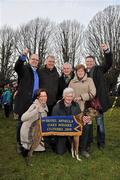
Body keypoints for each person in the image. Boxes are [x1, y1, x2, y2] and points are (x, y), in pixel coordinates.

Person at [85, 43, 113, 149]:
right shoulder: (83, 73)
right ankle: (88, 142)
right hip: (88, 102)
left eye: (91, 61)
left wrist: (107, 51)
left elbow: (109, 63)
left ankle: (101, 143)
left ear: (94, 62)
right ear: (85, 62)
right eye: (87, 61)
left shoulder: (99, 69)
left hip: (98, 103)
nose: (89, 63)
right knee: (88, 124)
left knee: (100, 123)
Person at [14, 48, 40, 153]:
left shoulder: (37, 72)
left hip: (33, 102)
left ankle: (28, 142)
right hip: (24, 101)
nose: (34, 61)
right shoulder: (24, 68)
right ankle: (19, 144)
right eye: (33, 59)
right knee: (21, 122)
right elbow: (17, 67)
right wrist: (23, 55)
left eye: (37, 60)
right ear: (29, 60)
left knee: (30, 123)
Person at [69, 64, 96, 158]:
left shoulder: (89, 80)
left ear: (84, 72)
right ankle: (73, 147)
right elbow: (68, 92)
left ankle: (83, 149)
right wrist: (71, 98)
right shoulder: (72, 82)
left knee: (86, 128)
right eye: (78, 71)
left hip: (85, 109)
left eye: (81, 71)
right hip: (74, 109)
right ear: (76, 72)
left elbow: (93, 93)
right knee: (75, 128)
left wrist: (81, 97)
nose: (80, 73)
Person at [52, 87, 81, 155]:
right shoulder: (57, 107)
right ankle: (61, 143)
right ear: (64, 96)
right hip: (61, 131)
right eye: (67, 96)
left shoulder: (76, 105)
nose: (69, 98)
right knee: (60, 152)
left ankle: (77, 146)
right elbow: (53, 121)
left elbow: (79, 118)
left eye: (71, 96)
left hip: (73, 130)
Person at [20, 89, 48, 158]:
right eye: (41, 96)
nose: (44, 98)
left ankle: (36, 144)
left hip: (36, 130)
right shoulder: (34, 106)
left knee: (42, 149)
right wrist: (35, 111)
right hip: (28, 132)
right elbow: (23, 118)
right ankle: (26, 145)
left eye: (45, 96)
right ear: (38, 97)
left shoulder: (44, 105)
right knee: (30, 148)